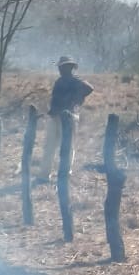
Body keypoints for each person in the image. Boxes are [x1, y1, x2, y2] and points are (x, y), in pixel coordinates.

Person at [37, 55, 93, 184]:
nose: (61, 69)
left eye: (63, 67)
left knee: (67, 146)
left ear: (70, 68)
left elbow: (89, 88)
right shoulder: (59, 81)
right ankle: (44, 175)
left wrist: (75, 101)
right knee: (49, 146)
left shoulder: (75, 80)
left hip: (68, 117)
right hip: (55, 116)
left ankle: (65, 174)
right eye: (60, 67)